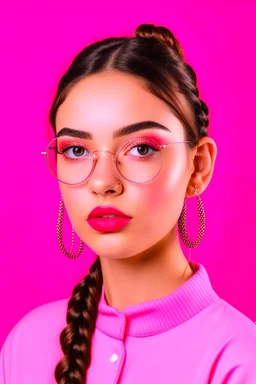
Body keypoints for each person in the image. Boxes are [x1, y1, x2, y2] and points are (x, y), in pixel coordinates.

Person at [0, 23, 255, 384]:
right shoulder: (25, 345)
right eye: (76, 150)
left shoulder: (240, 361)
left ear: (198, 166)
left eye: (141, 149)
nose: (103, 181)